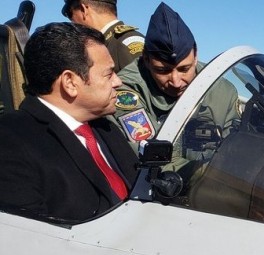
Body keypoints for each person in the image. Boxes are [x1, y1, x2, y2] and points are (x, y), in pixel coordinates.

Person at [0, 22, 137, 221]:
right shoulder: (10, 140)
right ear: (70, 83)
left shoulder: (104, 126)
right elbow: (31, 238)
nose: (118, 81)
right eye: (108, 74)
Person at [113, 2, 239, 177]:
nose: (176, 82)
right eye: (162, 71)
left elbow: (234, 151)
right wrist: (212, 177)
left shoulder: (221, 89)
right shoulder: (127, 92)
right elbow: (151, 158)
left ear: (196, 55)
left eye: (184, 69)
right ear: (146, 60)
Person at [62, 0, 144, 73]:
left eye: (70, 15)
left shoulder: (126, 43)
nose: (72, 23)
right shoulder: (110, 42)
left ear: (84, 10)